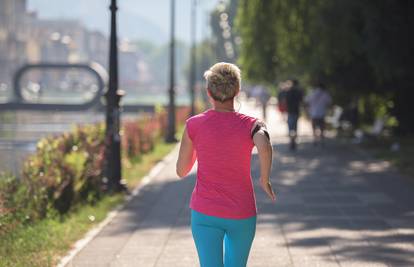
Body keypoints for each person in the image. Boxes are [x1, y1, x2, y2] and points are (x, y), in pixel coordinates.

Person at [176, 62, 276, 267]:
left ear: (208, 92)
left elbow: (181, 171)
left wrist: (199, 147)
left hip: (205, 212)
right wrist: (264, 179)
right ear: (237, 91)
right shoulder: (251, 124)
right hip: (242, 211)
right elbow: (264, 144)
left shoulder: (194, 124)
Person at [305, 81, 332, 145]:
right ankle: (322, 140)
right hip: (322, 113)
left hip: (313, 113)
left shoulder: (312, 93)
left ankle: (315, 139)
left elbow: (306, 101)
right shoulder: (325, 94)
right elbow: (329, 102)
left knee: (314, 127)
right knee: (322, 127)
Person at [285, 79, 303, 150]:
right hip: (296, 111)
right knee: (295, 127)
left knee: (290, 127)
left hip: (290, 112)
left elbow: (286, 101)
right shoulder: (299, 92)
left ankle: (291, 141)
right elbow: (301, 101)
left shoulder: (288, 91)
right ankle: (294, 141)